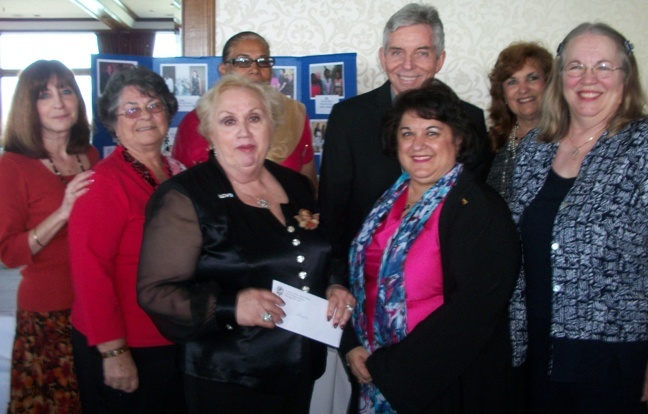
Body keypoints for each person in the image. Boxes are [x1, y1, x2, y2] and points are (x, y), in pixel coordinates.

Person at [137, 74, 356, 414]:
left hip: (300, 367)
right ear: (209, 132)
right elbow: (156, 292)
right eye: (228, 121)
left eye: (254, 118)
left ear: (271, 125)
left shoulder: (296, 184)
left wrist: (335, 284)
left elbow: (320, 250)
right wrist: (230, 306)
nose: (244, 131)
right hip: (229, 377)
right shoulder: (185, 196)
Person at [341, 79, 520, 413]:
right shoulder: (387, 199)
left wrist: (388, 368)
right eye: (407, 133)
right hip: (373, 372)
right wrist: (352, 344)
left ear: (459, 138)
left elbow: (472, 313)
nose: (417, 144)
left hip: (441, 387)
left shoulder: (479, 209)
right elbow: (362, 281)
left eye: (432, 132)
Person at [508, 23, 648, 413]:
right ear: (561, 77)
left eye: (604, 66)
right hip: (537, 350)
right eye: (575, 67)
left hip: (613, 361)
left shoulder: (641, 147)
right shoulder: (535, 150)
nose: (588, 79)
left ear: (626, 77)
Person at [319, 3, 491, 296]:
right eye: (397, 52)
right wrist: (336, 279)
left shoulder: (469, 120)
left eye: (421, 53)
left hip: (443, 285)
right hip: (365, 282)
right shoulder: (348, 118)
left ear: (440, 59)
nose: (407, 65)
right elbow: (333, 208)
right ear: (383, 58)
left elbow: (473, 209)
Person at [67, 66, 187, 413]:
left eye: (154, 105)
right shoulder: (103, 184)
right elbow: (90, 275)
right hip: (127, 345)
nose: (145, 116)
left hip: (172, 338)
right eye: (131, 109)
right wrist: (114, 352)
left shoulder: (178, 172)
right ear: (113, 122)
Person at [0, 59, 99, 413]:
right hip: (47, 313)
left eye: (66, 90)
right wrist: (63, 211)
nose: (59, 102)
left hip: (95, 303)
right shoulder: (12, 165)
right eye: (45, 95)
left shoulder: (89, 155)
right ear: (29, 106)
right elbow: (9, 253)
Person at [171, 32, 318, 191]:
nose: (255, 69)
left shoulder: (294, 115)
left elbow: (307, 182)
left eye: (263, 61)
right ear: (224, 69)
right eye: (243, 61)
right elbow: (182, 183)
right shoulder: (195, 121)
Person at [486, 42, 552, 199]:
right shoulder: (493, 141)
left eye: (532, 78)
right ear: (502, 94)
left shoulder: (569, 139)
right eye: (512, 82)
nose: (523, 89)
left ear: (549, 84)